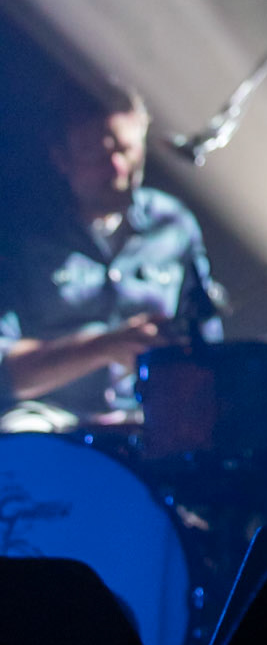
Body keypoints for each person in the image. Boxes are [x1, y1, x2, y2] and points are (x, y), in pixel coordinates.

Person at [0, 82, 225, 426]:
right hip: (50, 416)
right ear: (61, 159)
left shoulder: (173, 224)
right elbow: (5, 370)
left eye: (127, 149)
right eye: (97, 155)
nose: (118, 168)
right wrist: (103, 346)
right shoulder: (24, 236)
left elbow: (208, 341)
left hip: (150, 416)